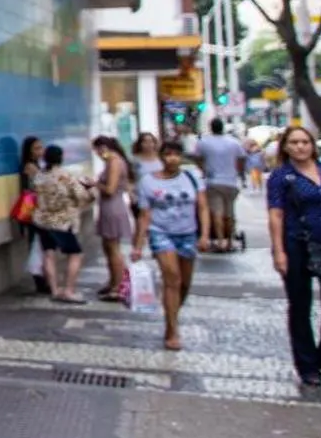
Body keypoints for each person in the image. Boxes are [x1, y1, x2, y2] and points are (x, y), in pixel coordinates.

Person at [266, 125, 321, 387]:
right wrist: (279, 251)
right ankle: (307, 365)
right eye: (294, 142)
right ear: (286, 147)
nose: (300, 147)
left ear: (312, 145)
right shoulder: (281, 177)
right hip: (297, 244)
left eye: (304, 142)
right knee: (300, 305)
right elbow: (276, 214)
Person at [132, 139, 209, 351]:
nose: (172, 158)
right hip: (161, 233)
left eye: (176, 154)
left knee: (184, 284)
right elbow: (144, 215)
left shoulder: (192, 178)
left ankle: (172, 313)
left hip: (187, 234)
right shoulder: (148, 181)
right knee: (172, 278)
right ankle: (172, 329)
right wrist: (138, 245)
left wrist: (205, 235)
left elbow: (202, 207)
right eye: (167, 154)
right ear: (161, 156)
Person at [32, 144, 93, 304]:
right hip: (63, 221)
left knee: (48, 254)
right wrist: (89, 189)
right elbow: (82, 196)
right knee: (75, 254)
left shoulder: (39, 176)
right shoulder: (65, 176)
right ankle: (69, 290)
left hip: (43, 221)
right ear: (61, 157)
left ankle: (54, 290)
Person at [91, 135, 135, 301]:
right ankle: (113, 281)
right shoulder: (112, 161)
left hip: (112, 207)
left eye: (97, 150)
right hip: (108, 207)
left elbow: (110, 189)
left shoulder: (114, 161)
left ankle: (118, 285)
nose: (97, 153)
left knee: (113, 248)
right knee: (108, 247)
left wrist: (94, 184)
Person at [195, 118, 248, 251]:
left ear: (211, 127)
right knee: (229, 213)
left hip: (213, 182)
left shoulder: (203, 142)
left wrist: (204, 169)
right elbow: (242, 158)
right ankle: (230, 241)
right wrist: (238, 172)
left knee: (217, 213)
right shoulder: (234, 142)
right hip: (231, 182)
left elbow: (198, 158)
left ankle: (220, 241)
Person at [17, 135, 50, 295]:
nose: (41, 151)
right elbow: (41, 186)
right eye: (37, 148)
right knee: (36, 243)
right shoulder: (30, 167)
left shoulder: (38, 165)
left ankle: (41, 277)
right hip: (34, 210)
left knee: (39, 243)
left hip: (38, 209)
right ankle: (39, 279)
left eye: (41, 147)